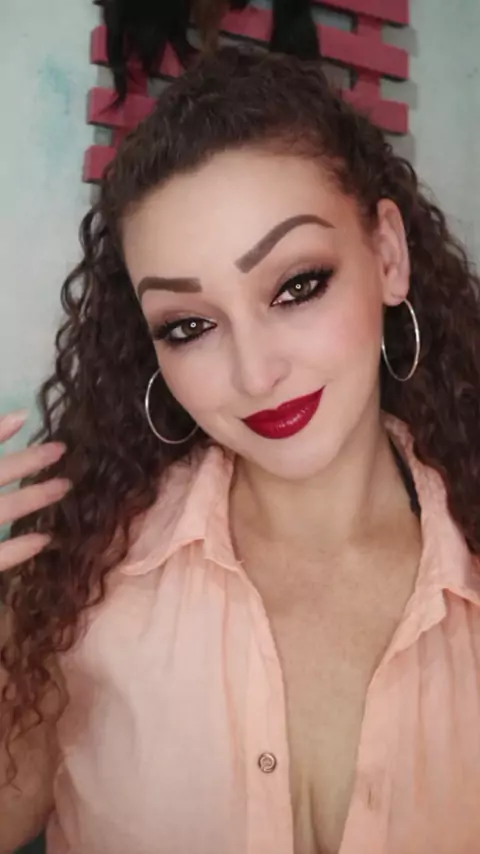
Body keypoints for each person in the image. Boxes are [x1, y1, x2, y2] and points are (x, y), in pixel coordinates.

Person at [1, 46, 480, 854]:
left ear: (388, 257)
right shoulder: (70, 584)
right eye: (189, 326)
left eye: (298, 285)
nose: (256, 375)